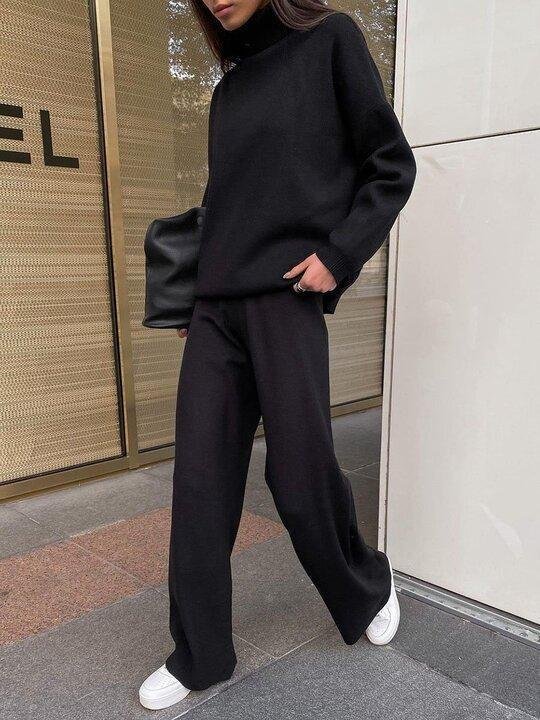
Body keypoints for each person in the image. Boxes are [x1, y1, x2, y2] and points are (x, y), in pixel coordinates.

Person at [139, 0, 416, 709]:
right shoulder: (230, 88)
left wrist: (339, 256)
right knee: (200, 484)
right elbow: (225, 203)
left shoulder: (331, 41)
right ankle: (200, 653)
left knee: (299, 478)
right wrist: (193, 297)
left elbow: (391, 165)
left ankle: (366, 587)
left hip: (286, 300)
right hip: (215, 311)